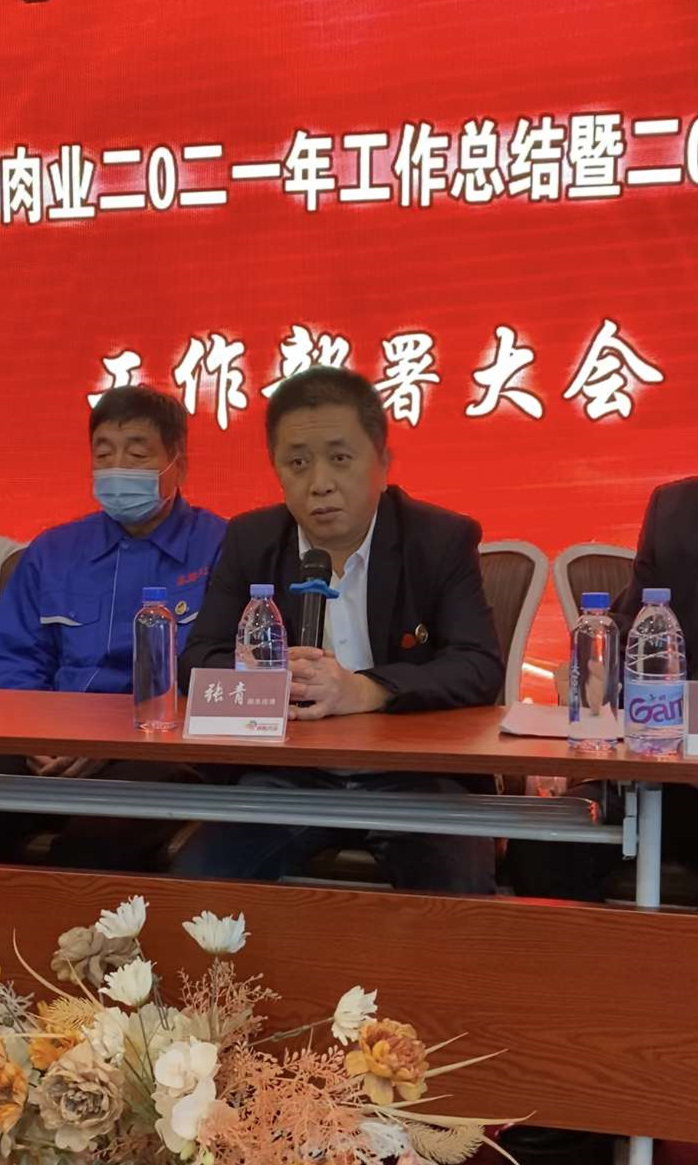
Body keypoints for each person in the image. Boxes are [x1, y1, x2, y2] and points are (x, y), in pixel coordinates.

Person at [175, 365, 504, 892]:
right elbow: (197, 661)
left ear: (383, 463)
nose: (320, 483)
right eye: (298, 463)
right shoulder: (251, 539)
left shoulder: (439, 538)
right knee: (199, 878)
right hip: (289, 773)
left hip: (416, 776)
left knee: (454, 894)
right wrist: (270, 678)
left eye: (340, 458)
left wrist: (366, 690)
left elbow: (477, 665)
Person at [0, 383, 226, 871]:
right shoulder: (54, 551)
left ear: (179, 464)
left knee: (94, 845)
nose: (117, 468)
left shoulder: (222, 547)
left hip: (162, 752)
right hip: (49, 747)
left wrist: (107, 742)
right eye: (104, 455)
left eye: (136, 454)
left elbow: (220, 675)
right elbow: (16, 661)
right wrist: (37, 738)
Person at [508, 360, 698, 913]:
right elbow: (629, 630)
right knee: (542, 847)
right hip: (671, 776)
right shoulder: (685, 513)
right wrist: (592, 670)